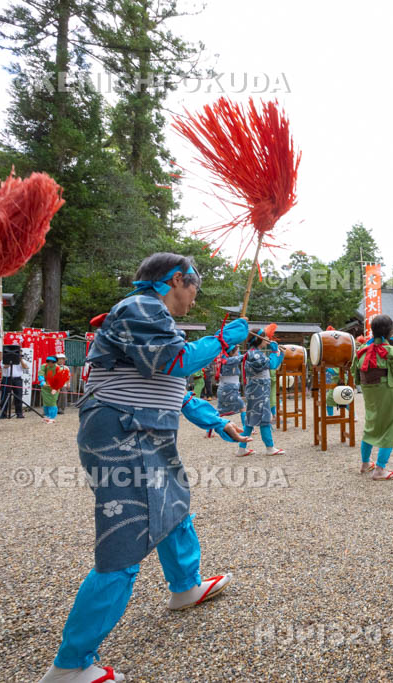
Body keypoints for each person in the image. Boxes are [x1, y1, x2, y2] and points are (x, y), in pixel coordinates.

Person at [39, 253, 251, 683]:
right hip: (123, 432)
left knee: (173, 508)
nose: (196, 297)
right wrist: (223, 341)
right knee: (126, 539)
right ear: (176, 279)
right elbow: (173, 364)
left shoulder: (155, 318)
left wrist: (216, 422)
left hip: (145, 430)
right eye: (195, 287)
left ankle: (184, 587)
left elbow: (175, 390)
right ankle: (71, 663)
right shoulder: (140, 308)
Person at [350, 315, 393, 480]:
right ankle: (380, 470)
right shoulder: (392, 352)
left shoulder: (361, 353)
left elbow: (356, 376)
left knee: (370, 425)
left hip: (370, 393)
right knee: (390, 428)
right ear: (390, 331)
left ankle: (365, 464)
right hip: (389, 392)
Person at [236, 328, 285, 456]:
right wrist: (275, 352)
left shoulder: (254, 352)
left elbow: (273, 363)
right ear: (259, 339)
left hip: (256, 389)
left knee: (250, 419)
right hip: (259, 390)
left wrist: (280, 354)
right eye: (265, 337)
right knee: (264, 418)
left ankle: (242, 448)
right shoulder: (255, 354)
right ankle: (270, 447)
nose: (268, 340)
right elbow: (272, 364)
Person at [215, 349, 246, 429]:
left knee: (219, 411)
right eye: (236, 351)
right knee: (242, 406)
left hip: (224, 388)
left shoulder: (226, 360)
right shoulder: (230, 361)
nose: (238, 353)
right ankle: (247, 428)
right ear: (231, 352)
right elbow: (244, 356)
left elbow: (239, 357)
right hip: (229, 389)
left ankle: (209, 430)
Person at [39, 355, 70, 424]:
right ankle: (47, 416)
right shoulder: (44, 366)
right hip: (45, 387)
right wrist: (42, 381)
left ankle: (52, 418)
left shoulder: (58, 368)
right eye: (48, 361)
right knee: (45, 402)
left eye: (52, 362)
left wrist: (56, 388)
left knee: (52, 402)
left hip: (54, 387)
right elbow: (41, 373)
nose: (50, 363)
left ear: (55, 362)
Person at [0, 355, 29, 419]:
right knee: (5, 396)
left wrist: (20, 359)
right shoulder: (4, 360)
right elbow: (5, 366)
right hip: (7, 379)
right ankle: (3, 413)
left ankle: (19, 413)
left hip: (17, 379)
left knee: (18, 396)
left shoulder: (22, 360)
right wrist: (11, 360)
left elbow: (25, 367)